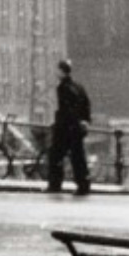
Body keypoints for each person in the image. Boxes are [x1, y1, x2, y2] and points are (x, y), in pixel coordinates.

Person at [47, 59, 93, 196]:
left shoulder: (62, 88)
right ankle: (83, 185)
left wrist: (58, 124)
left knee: (55, 156)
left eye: (57, 70)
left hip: (66, 129)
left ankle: (55, 184)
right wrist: (85, 120)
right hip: (77, 128)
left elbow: (65, 110)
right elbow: (86, 104)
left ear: (61, 71)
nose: (55, 72)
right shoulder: (79, 86)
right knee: (78, 157)